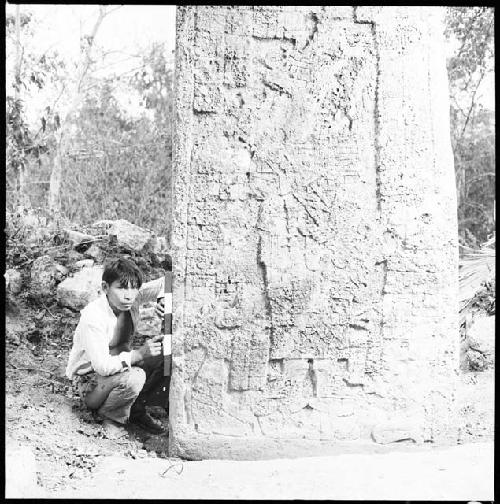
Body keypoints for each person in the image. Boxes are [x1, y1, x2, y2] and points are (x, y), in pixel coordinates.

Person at [65, 257, 168, 439]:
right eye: (121, 288)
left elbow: (169, 280)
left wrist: (164, 300)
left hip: (116, 370)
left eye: (134, 288)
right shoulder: (93, 316)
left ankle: (135, 410)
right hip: (89, 382)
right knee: (135, 377)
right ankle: (110, 418)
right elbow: (102, 367)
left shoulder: (133, 297)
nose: (129, 294)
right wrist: (139, 354)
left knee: (166, 351)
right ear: (105, 288)